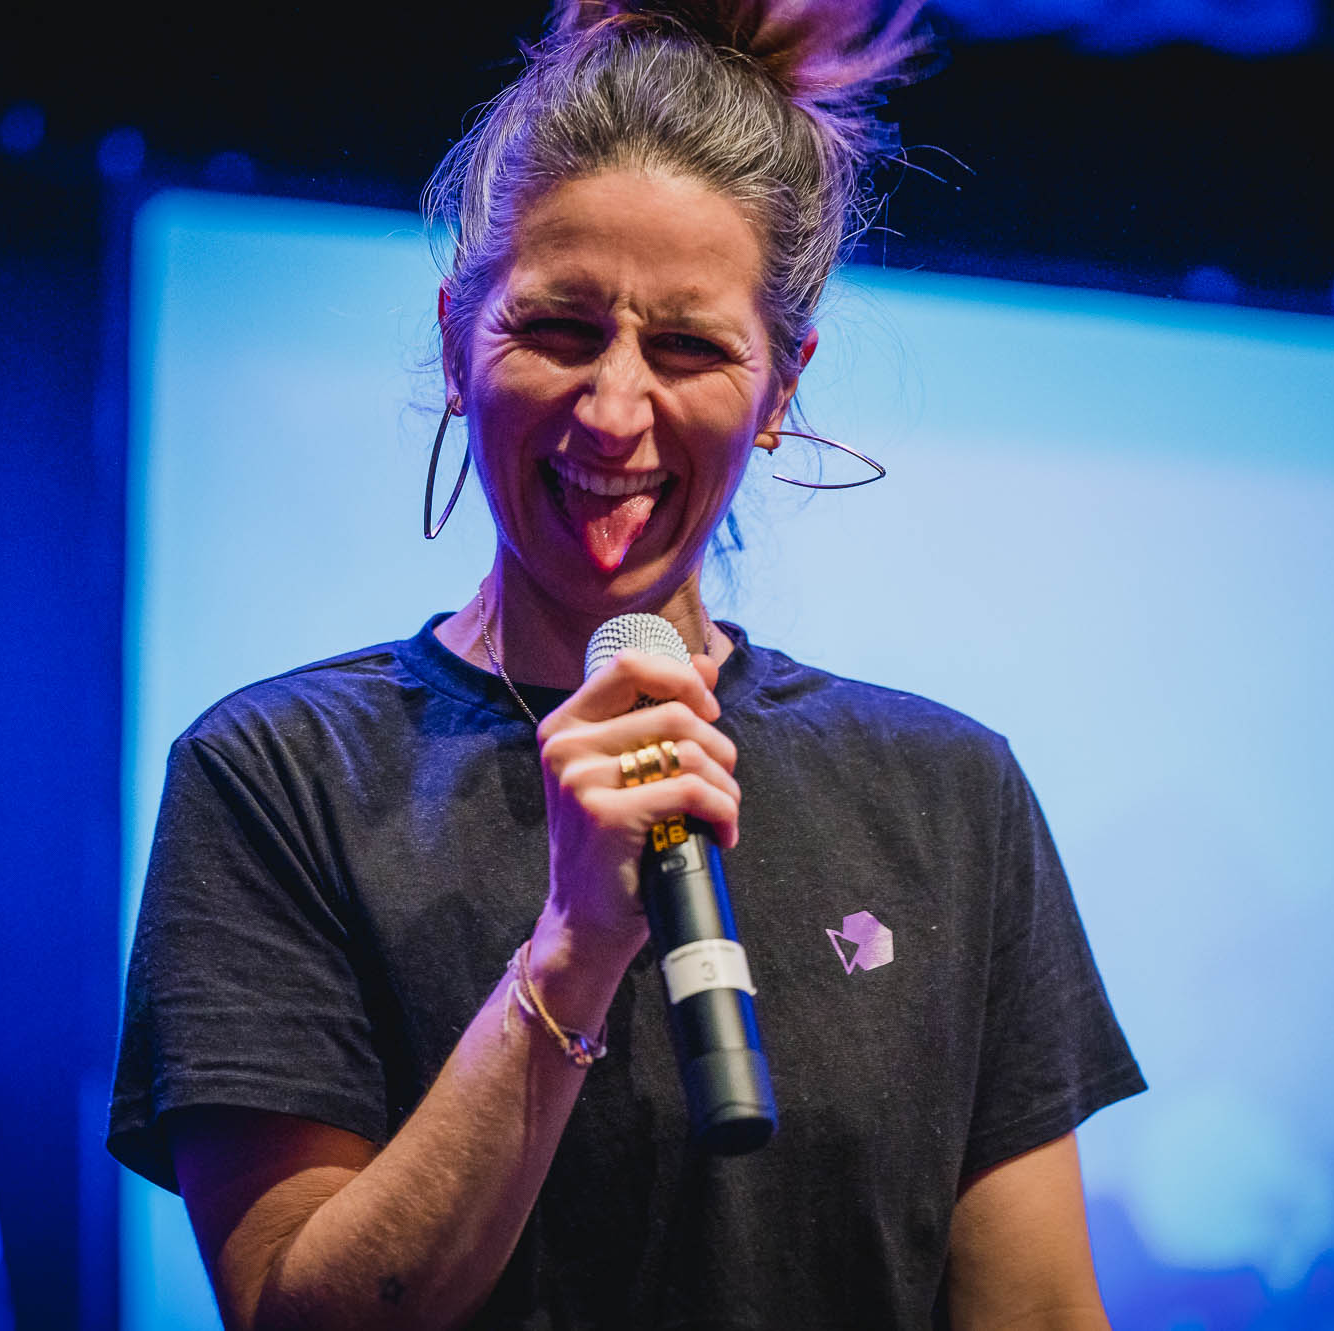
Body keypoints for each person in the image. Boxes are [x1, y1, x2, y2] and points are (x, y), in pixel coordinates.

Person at [108, 2, 1144, 1326]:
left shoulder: (949, 795)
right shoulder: (280, 778)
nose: (614, 410)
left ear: (781, 391)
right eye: (558, 329)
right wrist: (573, 948)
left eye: (690, 347)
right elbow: (294, 1311)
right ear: (456, 340)